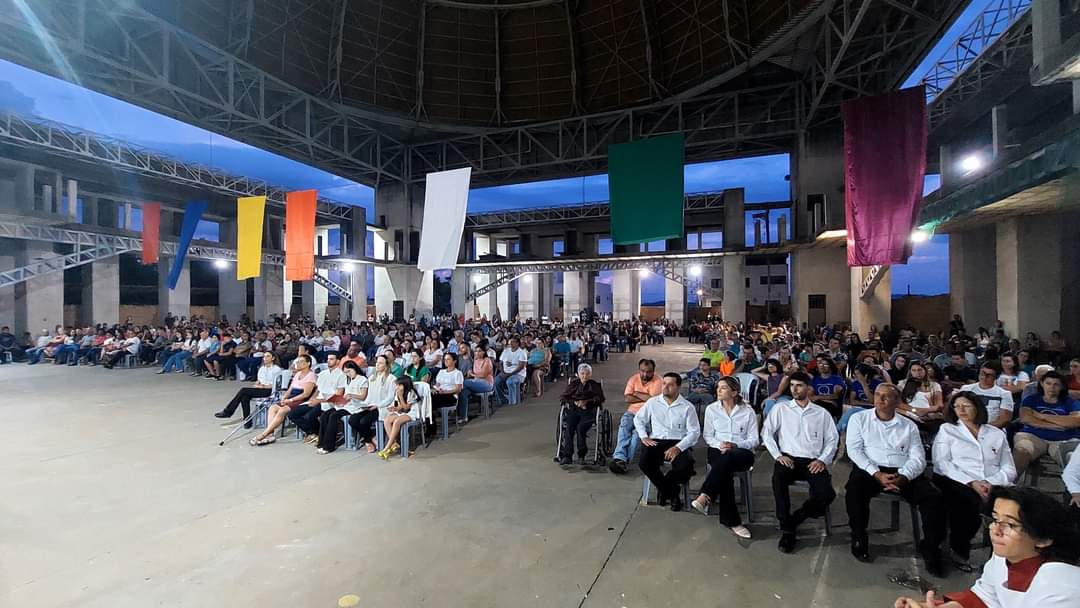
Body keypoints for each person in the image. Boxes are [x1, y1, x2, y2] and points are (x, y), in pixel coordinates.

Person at [893, 486, 1080, 608]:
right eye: (995, 519)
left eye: (1010, 524)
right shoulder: (1004, 557)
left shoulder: (1062, 587)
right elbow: (986, 597)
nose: (996, 530)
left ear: (1044, 539)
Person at [845, 384, 947, 576]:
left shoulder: (908, 426)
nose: (880, 399)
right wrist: (876, 474)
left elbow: (918, 458)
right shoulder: (859, 419)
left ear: (896, 401)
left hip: (902, 471)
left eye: (886, 396)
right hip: (870, 469)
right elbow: (854, 450)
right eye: (877, 395)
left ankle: (931, 548)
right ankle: (859, 537)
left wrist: (905, 476)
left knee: (933, 497)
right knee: (854, 491)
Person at [932, 391, 1017, 571]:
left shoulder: (996, 433)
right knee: (968, 505)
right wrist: (972, 482)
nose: (961, 410)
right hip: (957, 479)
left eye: (966, 406)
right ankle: (959, 550)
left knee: (1015, 507)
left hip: (993, 482)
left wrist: (989, 482)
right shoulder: (948, 430)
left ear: (977, 408)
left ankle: (999, 559)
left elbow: (1009, 468)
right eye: (957, 406)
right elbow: (942, 464)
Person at [762, 371, 838, 554]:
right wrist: (778, 455)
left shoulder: (821, 413)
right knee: (778, 481)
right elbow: (767, 433)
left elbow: (832, 440)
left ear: (809, 388)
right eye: (792, 385)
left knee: (827, 494)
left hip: (813, 461)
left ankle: (795, 519)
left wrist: (822, 460)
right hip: (788, 458)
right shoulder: (781, 409)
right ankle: (787, 529)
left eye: (799, 385)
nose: (794, 389)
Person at [692, 376, 759, 538]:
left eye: (723, 388)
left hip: (742, 452)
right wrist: (721, 445)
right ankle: (733, 522)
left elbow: (754, 440)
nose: (718, 390)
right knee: (725, 470)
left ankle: (706, 495)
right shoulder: (712, 409)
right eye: (718, 387)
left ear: (734, 392)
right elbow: (708, 436)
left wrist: (735, 445)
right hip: (717, 449)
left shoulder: (747, 411)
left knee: (727, 460)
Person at [634, 372, 700, 512]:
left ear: (678, 387)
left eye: (670, 384)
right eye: (664, 383)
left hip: (678, 442)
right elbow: (638, 419)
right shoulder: (653, 402)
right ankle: (672, 492)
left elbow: (694, 432)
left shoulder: (687, 407)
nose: (665, 387)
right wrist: (644, 436)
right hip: (656, 441)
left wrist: (678, 447)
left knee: (686, 467)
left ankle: (665, 490)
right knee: (644, 462)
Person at [1013, 371, 1080, 475]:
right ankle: (1010, 482)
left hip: (1064, 439)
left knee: (1072, 457)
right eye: (1048, 383)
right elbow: (1026, 418)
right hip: (1033, 436)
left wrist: (1042, 416)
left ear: (1062, 387)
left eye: (1056, 384)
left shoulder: (1071, 402)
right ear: (1042, 383)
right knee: (1021, 450)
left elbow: (1076, 421)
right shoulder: (1031, 400)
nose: (1051, 387)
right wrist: (1057, 424)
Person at [609, 359, 663, 475]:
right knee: (624, 428)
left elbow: (653, 400)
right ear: (639, 370)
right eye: (642, 371)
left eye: (648, 372)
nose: (645, 374)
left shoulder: (658, 381)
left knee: (637, 434)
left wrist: (636, 393)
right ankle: (619, 457)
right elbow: (627, 398)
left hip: (648, 415)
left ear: (653, 371)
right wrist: (646, 397)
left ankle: (624, 462)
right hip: (632, 412)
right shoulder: (633, 379)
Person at [250, 354, 317, 446]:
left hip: (301, 399)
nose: (298, 364)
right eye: (297, 362)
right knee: (273, 408)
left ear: (308, 363)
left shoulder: (311, 375)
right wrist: (284, 397)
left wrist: (290, 400)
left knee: (282, 410)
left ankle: (264, 434)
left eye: (301, 362)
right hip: (292, 396)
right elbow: (290, 389)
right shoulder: (297, 374)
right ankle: (270, 434)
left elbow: (306, 394)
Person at [287, 353, 348, 444]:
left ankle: (321, 434)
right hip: (318, 399)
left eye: (331, 359)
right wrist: (312, 399)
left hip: (329, 402)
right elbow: (318, 390)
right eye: (328, 359)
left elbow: (338, 395)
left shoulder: (341, 375)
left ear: (338, 361)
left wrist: (318, 401)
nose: (328, 361)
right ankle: (313, 433)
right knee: (292, 414)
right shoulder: (323, 373)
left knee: (310, 416)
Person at [556, 363, 606, 465]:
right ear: (578, 375)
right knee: (569, 427)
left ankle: (581, 455)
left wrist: (586, 402)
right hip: (574, 409)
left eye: (587, 374)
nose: (584, 376)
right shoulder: (573, 384)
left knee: (580, 428)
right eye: (582, 374)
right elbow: (563, 397)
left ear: (590, 374)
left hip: (589, 410)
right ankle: (567, 456)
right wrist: (574, 402)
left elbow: (601, 398)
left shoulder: (594, 385)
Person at [214, 352, 282, 427]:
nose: (265, 358)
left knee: (243, 390)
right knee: (244, 396)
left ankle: (228, 411)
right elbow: (259, 380)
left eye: (267, 356)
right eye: (264, 356)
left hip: (270, 391)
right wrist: (257, 384)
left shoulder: (277, 369)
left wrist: (262, 386)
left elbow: (276, 385)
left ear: (273, 358)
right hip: (260, 389)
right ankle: (247, 421)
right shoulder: (262, 368)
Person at [316, 361, 368, 454]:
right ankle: (321, 443)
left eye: (349, 371)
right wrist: (339, 400)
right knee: (325, 415)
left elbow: (363, 396)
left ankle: (328, 446)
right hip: (345, 404)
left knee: (333, 416)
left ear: (354, 369)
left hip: (356, 406)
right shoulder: (347, 380)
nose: (348, 374)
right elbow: (345, 395)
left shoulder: (363, 379)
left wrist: (352, 395)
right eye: (346, 372)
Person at [349, 354, 397, 453]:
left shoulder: (391, 378)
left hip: (382, 407)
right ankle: (370, 438)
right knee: (353, 420)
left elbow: (390, 397)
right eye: (377, 363)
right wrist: (365, 404)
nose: (377, 365)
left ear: (386, 365)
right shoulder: (371, 378)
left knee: (364, 421)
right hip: (370, 405)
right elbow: (369, 395)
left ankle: (369, 441)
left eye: (380, 363)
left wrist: (377, 405)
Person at [377, 376, 421, 459]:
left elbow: (406, 408)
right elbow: (401, 407)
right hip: (402, 412)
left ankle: (387, 447)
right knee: (387, 420)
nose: (397, 387)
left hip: (411, 413)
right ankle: (394, 443)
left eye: (399, 385)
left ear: (405, 385)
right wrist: (395, 408)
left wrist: (400, 396)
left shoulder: (411, 393)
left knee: (397, 421)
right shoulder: (398, 392)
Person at [960, 362, 1015, 428]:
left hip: (991, 429)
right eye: (982, 373)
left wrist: (981, 429)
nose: (984, 377)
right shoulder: (966, 389)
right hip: (965, 427)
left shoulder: (1004, 394)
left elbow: (1004, 420)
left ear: (996, 377)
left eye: (989, 375)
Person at [459, 345, 494, 422]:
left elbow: (483, 375)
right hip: (476, 383)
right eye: (476, 351)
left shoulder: (487, 360)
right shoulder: (475, 360)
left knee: (464, 383)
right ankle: (463, 416)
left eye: (479, 351)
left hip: (486, 383)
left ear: (484, 352)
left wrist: (472, 374)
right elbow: (475, 373)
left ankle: (453, 395)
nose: (477, 353)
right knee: (463, 392)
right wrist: (471, 372)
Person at [495, 336, 527, 405]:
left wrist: (509, 374)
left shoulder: (522, 352)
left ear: (517, 343)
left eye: (513, 342)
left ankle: (513, 402)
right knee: (496, 382)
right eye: (510, 342)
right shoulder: (506, 351)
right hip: (505, 372)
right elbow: (500, 363)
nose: (511, 343)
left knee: (510, 382)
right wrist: (502, 372)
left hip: (518, 374)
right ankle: (502, 399)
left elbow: (521, 367)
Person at [431, 352, 464, 418]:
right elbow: (437, 385)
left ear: (454, 361)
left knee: (431, 400)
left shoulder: (458, 373)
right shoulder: (441, 371)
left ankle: (430, 420)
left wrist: (445, 392)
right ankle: (430, 420)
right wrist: (434, 389)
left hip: (451, 396)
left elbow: (458, 390)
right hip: (440, 393)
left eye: (448, 359)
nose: (445, 361)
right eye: (445, 359)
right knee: (427, 398)